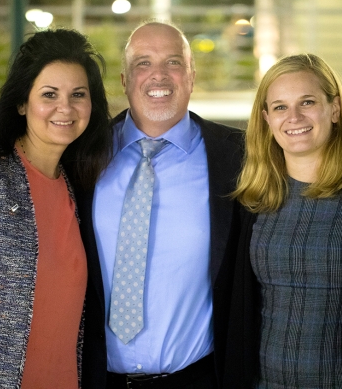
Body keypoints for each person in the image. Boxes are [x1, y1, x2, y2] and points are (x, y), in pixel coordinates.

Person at [78, 21, 243, 389]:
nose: (158, 76)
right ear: (123, 79)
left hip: (199, 378)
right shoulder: (81, 156)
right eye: (143, 63)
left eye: (172, 62)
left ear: (191, 75)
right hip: (96, 379)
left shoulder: (237, 157)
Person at [225, 53, 342, 388]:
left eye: (307, 102)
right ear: (266, 118)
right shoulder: (253, 198)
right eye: (279, 107)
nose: (293, 117)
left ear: (334, 109)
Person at [0, 28, 111, 388]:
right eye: (49, 94)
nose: (65, 108)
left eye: (78, 94)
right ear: (22, 103)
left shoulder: (79, 186)